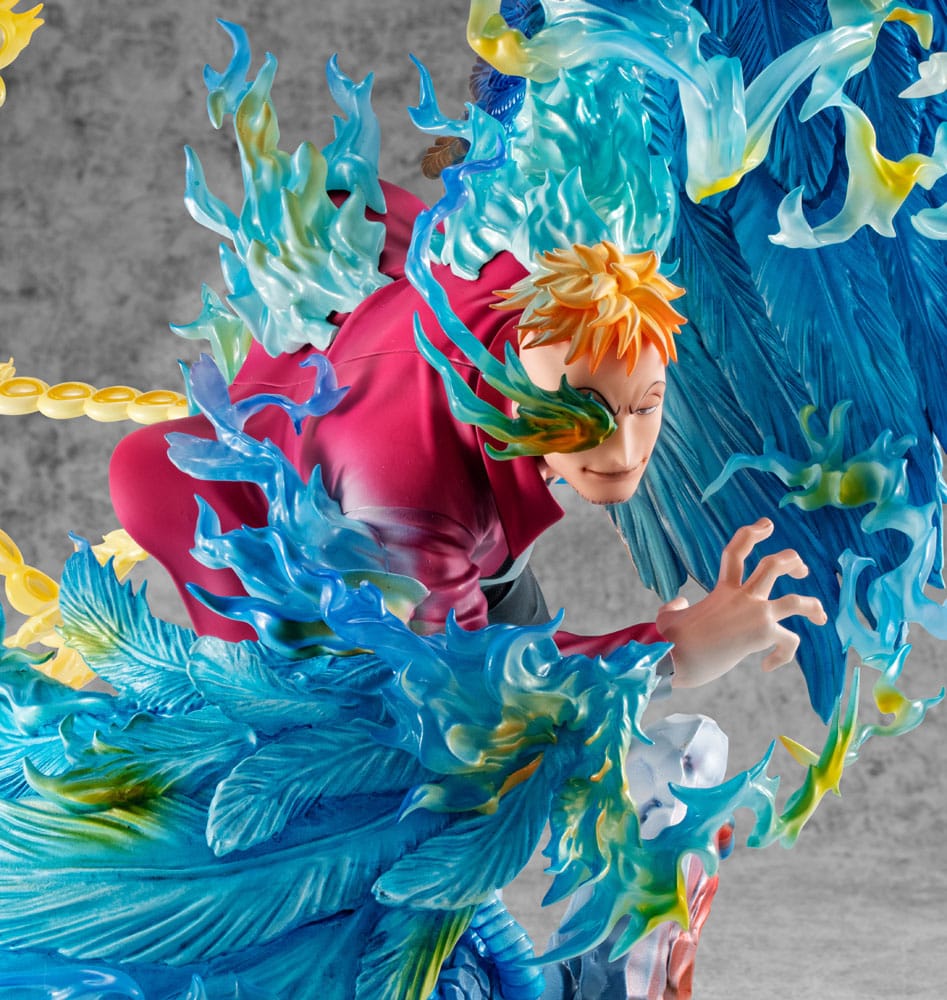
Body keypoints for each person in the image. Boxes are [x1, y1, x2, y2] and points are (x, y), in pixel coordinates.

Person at [108, 182, 825, 1000]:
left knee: (563, 729)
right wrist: (672, 648)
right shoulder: (404, 491)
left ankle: (615, 882)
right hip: (264, 538)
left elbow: (391, 211)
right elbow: (473, 692)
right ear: (522, 375)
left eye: (644, 406)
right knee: (391, 782)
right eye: (586, 409)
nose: (623, 451)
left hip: (454, 479)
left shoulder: (561, 280)